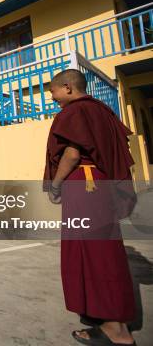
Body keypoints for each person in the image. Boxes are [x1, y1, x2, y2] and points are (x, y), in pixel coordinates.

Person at [44, 69, 137, 345]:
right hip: (101, 188)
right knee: (98, 249)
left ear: (69, 87)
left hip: (86, 188)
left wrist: (57, 183)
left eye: (54, 92)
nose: (53, 98)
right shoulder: (104, 111)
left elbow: (73, 153)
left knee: (98, 252)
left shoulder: (77, 111)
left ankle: (117, 329)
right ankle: (103, 312)